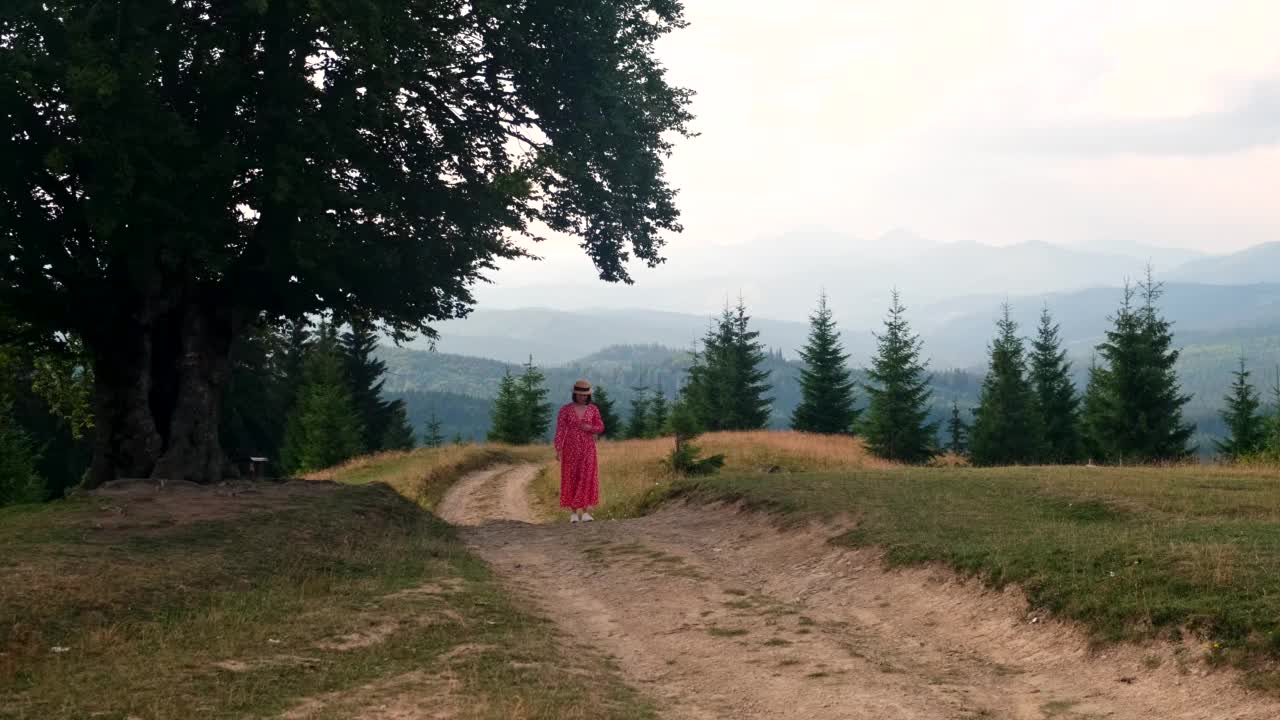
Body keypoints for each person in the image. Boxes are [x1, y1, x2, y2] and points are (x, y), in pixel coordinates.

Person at [554, 380, 604, 523]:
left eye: (585, 395)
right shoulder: (565, 409)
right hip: (570, 448)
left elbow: (600, 427)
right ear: (575, 394)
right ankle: (574, 513)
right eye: (579, 394)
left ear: (588, 395)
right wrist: (558, 448)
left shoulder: (593, 409)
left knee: (587, 476)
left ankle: (586, 511)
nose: (582, 397)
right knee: (572, 477)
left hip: (588, 448)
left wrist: (590, 428)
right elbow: (560, 430)